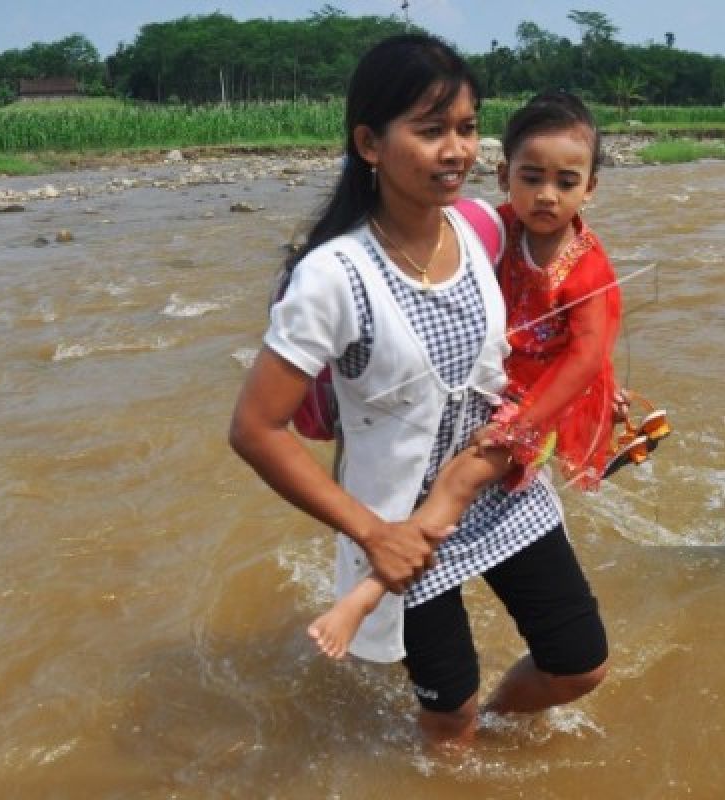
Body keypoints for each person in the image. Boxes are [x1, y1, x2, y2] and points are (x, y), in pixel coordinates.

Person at [228, 36, 608, 750]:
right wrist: (374, 534)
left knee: (579, 664)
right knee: (448, 713)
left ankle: (497, 723)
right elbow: (254, 429)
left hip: (501, 482)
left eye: (466, 128)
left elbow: (552, 314)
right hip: (405, 521)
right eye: (431, 131)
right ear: (369, 142)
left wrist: (593, 391)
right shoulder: (334, 276)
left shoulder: (483, 225)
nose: (456, 150)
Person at [308, 91, 623, 662]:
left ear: (590, 188)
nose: (546, 196)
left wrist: (520, 426)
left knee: (457, 485)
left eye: (566, 182)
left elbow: (583, 358)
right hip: (490, 389)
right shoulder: (492, 229)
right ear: (504, 176)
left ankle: (365, 595)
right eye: (531, 178)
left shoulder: (587, 268)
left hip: (535, 408)